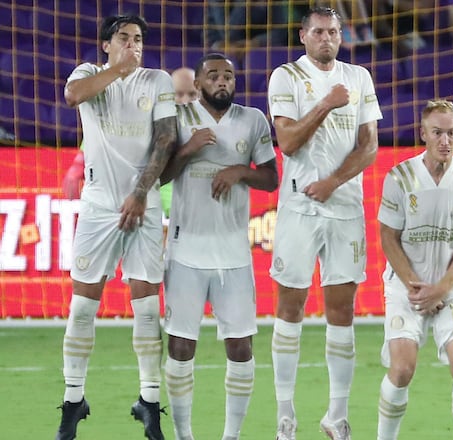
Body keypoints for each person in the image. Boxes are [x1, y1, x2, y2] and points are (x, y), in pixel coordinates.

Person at [55, 14, 177, 440]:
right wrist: (116, 70)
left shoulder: (157, 79)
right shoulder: (90, 73)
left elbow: (166, 139)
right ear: (106, 45)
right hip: (97, 207)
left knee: (147, 306)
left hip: (140, 208)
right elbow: (72, 96)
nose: (133, 45)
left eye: (138, 38)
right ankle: (73, 401)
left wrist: (142, 193)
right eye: (123, 38)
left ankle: (148, 401)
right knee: (83, 305)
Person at [267, 6, 382, 440]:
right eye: (318, 32)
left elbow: (369, 145)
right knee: (290, 308)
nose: (327, 38)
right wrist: (326, 103)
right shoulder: (286, 77)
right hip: (299, 208)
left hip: (345, 207)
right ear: (303, 36)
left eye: (334, 31)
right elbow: (289, 141)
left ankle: (336, 417)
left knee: (341, 311)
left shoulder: (359, 77)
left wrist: (333, 181)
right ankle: (285, 416)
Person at [159, 53, 279, 440]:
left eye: (228, 75)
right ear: (198, 82)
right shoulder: (179, 119)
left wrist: (239, 171)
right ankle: (183, 435)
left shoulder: (252, 119)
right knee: (179, 347)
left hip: (233, 254)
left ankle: (231, 436)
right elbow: (160, 175)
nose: (222, 81)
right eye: (213, 75)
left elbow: (271, 178)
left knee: (241, 348)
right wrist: (188, 149)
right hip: (184, 252)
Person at [376, 99, 453, 440]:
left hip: (451, 288)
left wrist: (440, 288)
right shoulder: (400, 178)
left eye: (451, 133)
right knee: (403, 368)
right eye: (437, 132)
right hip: (405, 287)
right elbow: (388, 237)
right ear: (423, 133)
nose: (445, 141)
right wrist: (416, 286)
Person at [62, 66, 200, 217]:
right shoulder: (148, 118)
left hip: (191, 211)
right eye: (179, 94)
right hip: (149, 207)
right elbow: (108, 136)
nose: (185, 100)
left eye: (192, 94)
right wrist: (78, 164)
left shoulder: (208, 126)